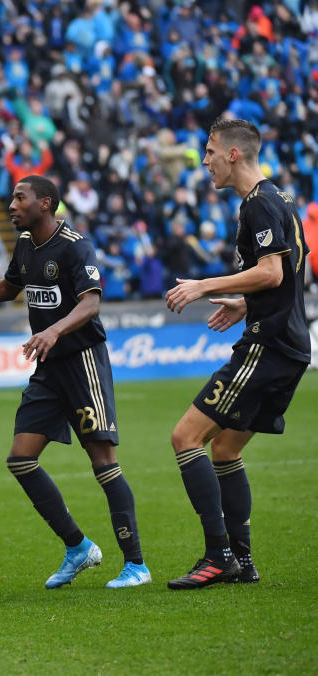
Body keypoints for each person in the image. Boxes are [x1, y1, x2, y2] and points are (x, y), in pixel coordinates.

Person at [0, 175, 151, 589]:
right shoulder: (24, 245)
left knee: (103, 463)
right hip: (48, 369)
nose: (11, 205)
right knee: (21, 459)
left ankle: (136, 565)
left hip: (82, 363)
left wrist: (54, 331)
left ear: (46, 203)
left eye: (20, 198)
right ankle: (78, 547)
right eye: (11, 197)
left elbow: (91, 302)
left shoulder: (75, 246)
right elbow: (8, 288)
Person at [164, 118, 311, 589]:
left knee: (186, 438)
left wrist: (205, 285)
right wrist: (244, 303)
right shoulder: (282, 199)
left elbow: (270, 272)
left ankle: (218, 555)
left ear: (232, 154)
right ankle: (242, 562)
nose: (203, 162)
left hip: (267, 344)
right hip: (288, 342)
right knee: (225, 448)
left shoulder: (258, 205)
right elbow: (288, 274)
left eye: (209, 151)